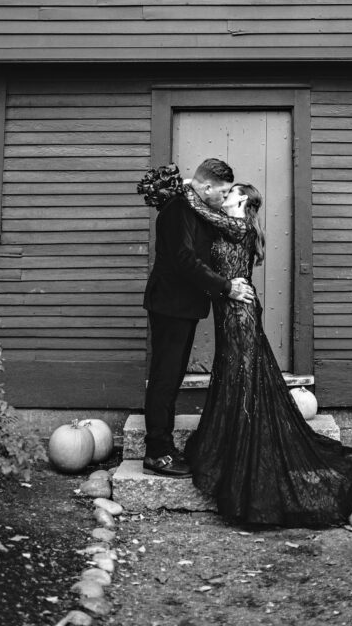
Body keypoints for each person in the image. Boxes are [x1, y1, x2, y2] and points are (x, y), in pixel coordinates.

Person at [182, 182, 352, 526]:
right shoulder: (227, 226)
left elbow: (202, 211)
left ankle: (246, 460)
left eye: (231, 192)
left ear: (243, 200)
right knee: (233, 376)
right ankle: (231, 447)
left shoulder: (239, 226)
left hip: (241, 315)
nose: (224, 196)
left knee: (243, 379)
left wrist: (188, 192)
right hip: (227, 315)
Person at [142, 158, 255, 478]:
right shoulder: (178, 210)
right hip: (170, 306)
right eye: (220, 192)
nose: (223, 197)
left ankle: (163, 447)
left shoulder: (196, 208)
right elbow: (184, 261)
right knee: (165, 377)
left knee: (172, 375)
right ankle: (157, 453)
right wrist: (226, 288)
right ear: (205, 186)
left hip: (183, 307)